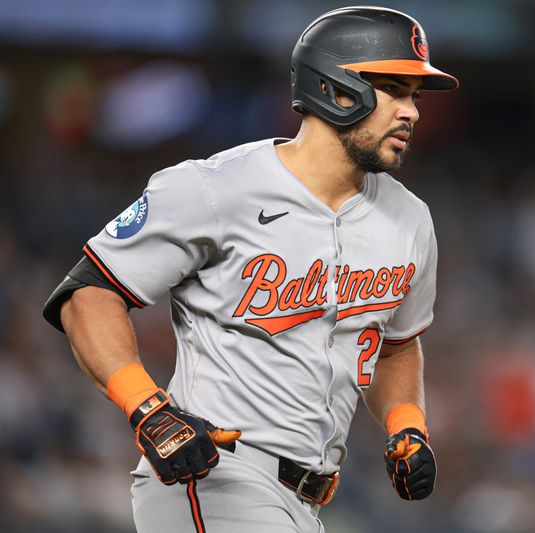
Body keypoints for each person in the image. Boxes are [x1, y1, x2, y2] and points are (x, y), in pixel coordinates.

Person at [42, 6, 458, 532]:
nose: (412, 112)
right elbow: (90, 293)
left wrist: (407, 426)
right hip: (214, 476)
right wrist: (147, 407)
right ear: (336, 87)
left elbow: (394, 342)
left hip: (307, 503)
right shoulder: (216, 188)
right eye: (396, 90)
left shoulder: (410, 220)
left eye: (414, 96)